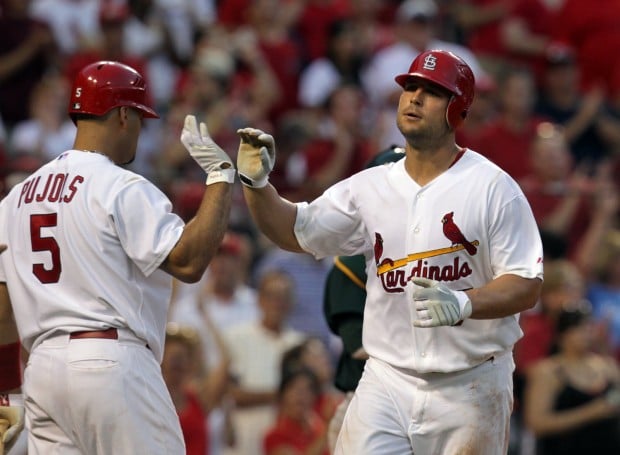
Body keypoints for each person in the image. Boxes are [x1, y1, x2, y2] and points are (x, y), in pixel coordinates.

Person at [235, 49, 544, 454]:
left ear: (458, 110)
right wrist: (258, 185)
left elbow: (526, 283)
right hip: (387, 378)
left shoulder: (493, 187)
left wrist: (465, 303)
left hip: (471, 381)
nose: (414, 98)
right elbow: (295, 230)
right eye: (410, 87)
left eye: (432, 92)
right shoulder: (369, 185)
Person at [0, 60, 234, 454]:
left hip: (41, 371)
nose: (140, 130)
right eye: (139, 118)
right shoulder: (121, 186)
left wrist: (7, 390)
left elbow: (4, 312)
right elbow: (189, 263)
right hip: (110, 361)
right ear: (123, 115)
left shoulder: (14, 200)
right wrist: (221, 179)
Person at [523, 306, 620, 454]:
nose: (587, 333)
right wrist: (591, 413)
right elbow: (536, 423)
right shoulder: (548, 371)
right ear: (562, 334)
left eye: (589, 326)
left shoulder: (607, 366)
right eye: (579, 328)